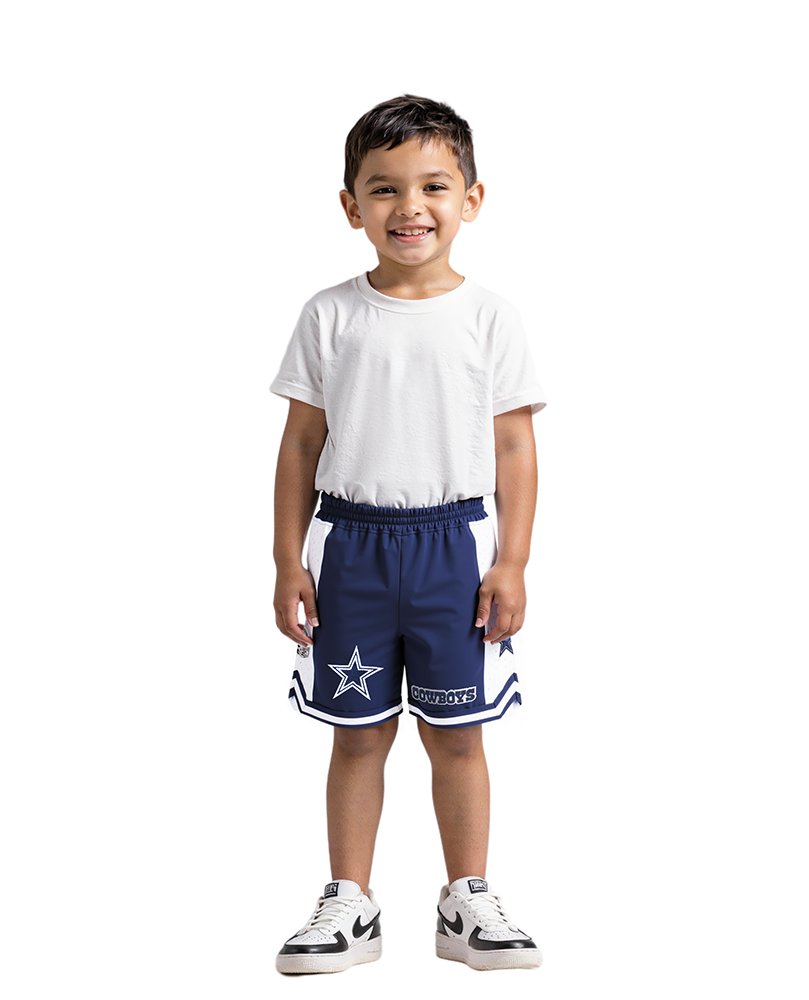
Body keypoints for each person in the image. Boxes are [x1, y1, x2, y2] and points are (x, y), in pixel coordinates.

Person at [269, 95, 545, 974]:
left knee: (458, 735)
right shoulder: (330, 315)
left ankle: (467, 900)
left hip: (453, 552)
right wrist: (285, 560)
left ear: (472, 199)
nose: (409, 207)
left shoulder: (491, 317)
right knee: (357, 734)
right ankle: (350, 902)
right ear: (351, 206)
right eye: (384, 188)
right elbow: (301, 444)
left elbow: (514, 446)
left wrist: (512, 560)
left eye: (433, 185)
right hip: (351, 548)